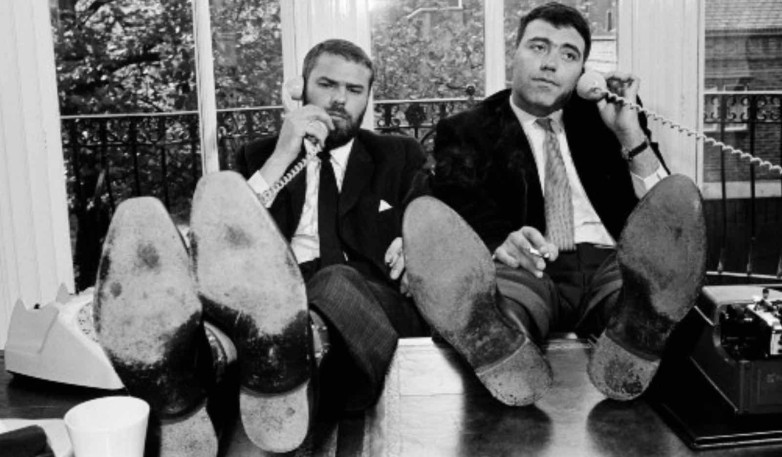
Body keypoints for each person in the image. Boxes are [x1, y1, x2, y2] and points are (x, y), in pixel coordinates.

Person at [94, 38, 428, 457]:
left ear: (367, 98)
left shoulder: (398, 155)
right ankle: (191, 377)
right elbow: (226, 238)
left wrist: (416, 241)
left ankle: (264, 349)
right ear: (300, 88)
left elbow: (429, 216)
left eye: (354, 89)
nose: (340, 99)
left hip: (368, 305)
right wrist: (284, 153)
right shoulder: (259, 156)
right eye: (327, 84)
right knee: (249, 309)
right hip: (269, 301)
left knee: (332, 280)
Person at [401, 2, 707, 406]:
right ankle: (500, 341)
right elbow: (466, 203)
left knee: (637, 297)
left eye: (568, 55)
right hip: (531, 264)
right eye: (538, 47)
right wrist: (500, 243)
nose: (550, 64)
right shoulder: (468, 129)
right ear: (515, 54)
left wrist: (630, 135)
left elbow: (665, 216)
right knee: (508, 299)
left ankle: (635, 329)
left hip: (612, 261)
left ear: (582, 73)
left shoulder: (607, 118)